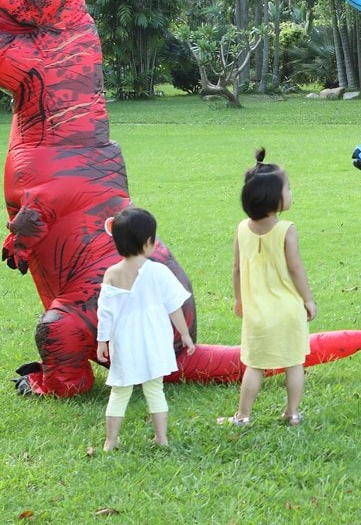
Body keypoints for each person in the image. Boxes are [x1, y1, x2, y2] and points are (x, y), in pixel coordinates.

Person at [219, 148, 317, 427]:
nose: (291, 192)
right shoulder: (287, 229)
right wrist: (308, 299)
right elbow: (296, 268)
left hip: (257, 312)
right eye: (288, 187)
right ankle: (292, 413)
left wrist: (239, 299)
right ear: (274, 198)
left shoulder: (241, 229)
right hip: (288, 309)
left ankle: (243, 416)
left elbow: (237, 269)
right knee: (294, 362)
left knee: (255, 366)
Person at [96, 206, 195, 450]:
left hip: (124, 341)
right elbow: (174, 308)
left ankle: (111, 441)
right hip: (154, 341)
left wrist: (102, 341)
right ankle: (161, 439)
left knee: (119, 392)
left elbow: (105, 313)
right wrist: (184, 334)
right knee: (155, 390)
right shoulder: (159, 272)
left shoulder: (112, 274)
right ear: (149, 242)